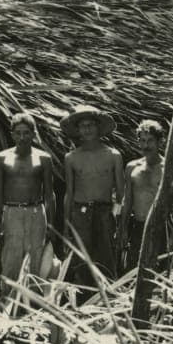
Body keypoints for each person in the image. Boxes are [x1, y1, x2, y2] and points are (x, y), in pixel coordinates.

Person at [0, 112, 56, 295]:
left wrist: (51, 223)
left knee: (35, 257)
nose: (22, 137)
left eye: (26, 133)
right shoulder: (2, 158)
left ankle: (32, 306)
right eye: (18, 133)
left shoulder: (43, 158)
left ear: (33, 134)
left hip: (36, 212)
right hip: (11, 212)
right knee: (10, 259)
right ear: (12, 134)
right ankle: (8, 303)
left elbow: (49, 194)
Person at [61, 106, 125, 284]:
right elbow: (70, 192)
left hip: (105, 212)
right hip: (80, 213)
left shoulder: (113, 155)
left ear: (98, 127)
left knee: (106, 258)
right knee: (81, 260)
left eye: (90, 125)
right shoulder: (71, 157)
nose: (87, 129)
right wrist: (67, 226)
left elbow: (120, 192)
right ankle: (82, 302)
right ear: (77, 130)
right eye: (82, 126)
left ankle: (110, 301)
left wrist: (118, 217)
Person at [118, 120, 173, 273]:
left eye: (150, 141)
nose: (146, 145)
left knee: (160, 272)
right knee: (134, 271)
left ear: (160, 142)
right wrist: (123, 228)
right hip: (138, 226)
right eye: (142, 140)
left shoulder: (169, 169)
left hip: (161, 227)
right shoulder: (132, 168)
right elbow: (127, 200)